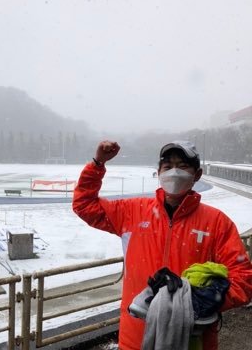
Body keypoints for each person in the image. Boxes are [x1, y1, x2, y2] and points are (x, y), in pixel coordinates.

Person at [72, 140, 252, 350]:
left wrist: (207, 300)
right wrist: (97, 164)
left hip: (192, 339)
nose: (174, 173)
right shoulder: (132, 212)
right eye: (168, 167)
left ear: (197, 174)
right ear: (158, 173)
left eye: (183, 166)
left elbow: (244, 278)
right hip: (136, 338)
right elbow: (84, 205)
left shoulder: (217, 223)